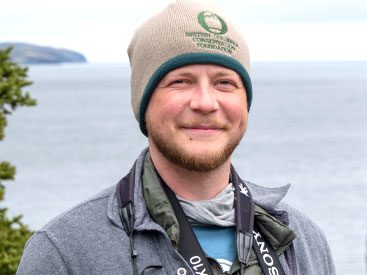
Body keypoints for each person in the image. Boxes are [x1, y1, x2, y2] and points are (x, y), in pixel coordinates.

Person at [17, 0, 336, 274]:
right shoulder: (65, 251)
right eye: (181, 81)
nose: (205, 103)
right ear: (144, 102)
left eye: (224, 82)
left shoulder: (302, 239)